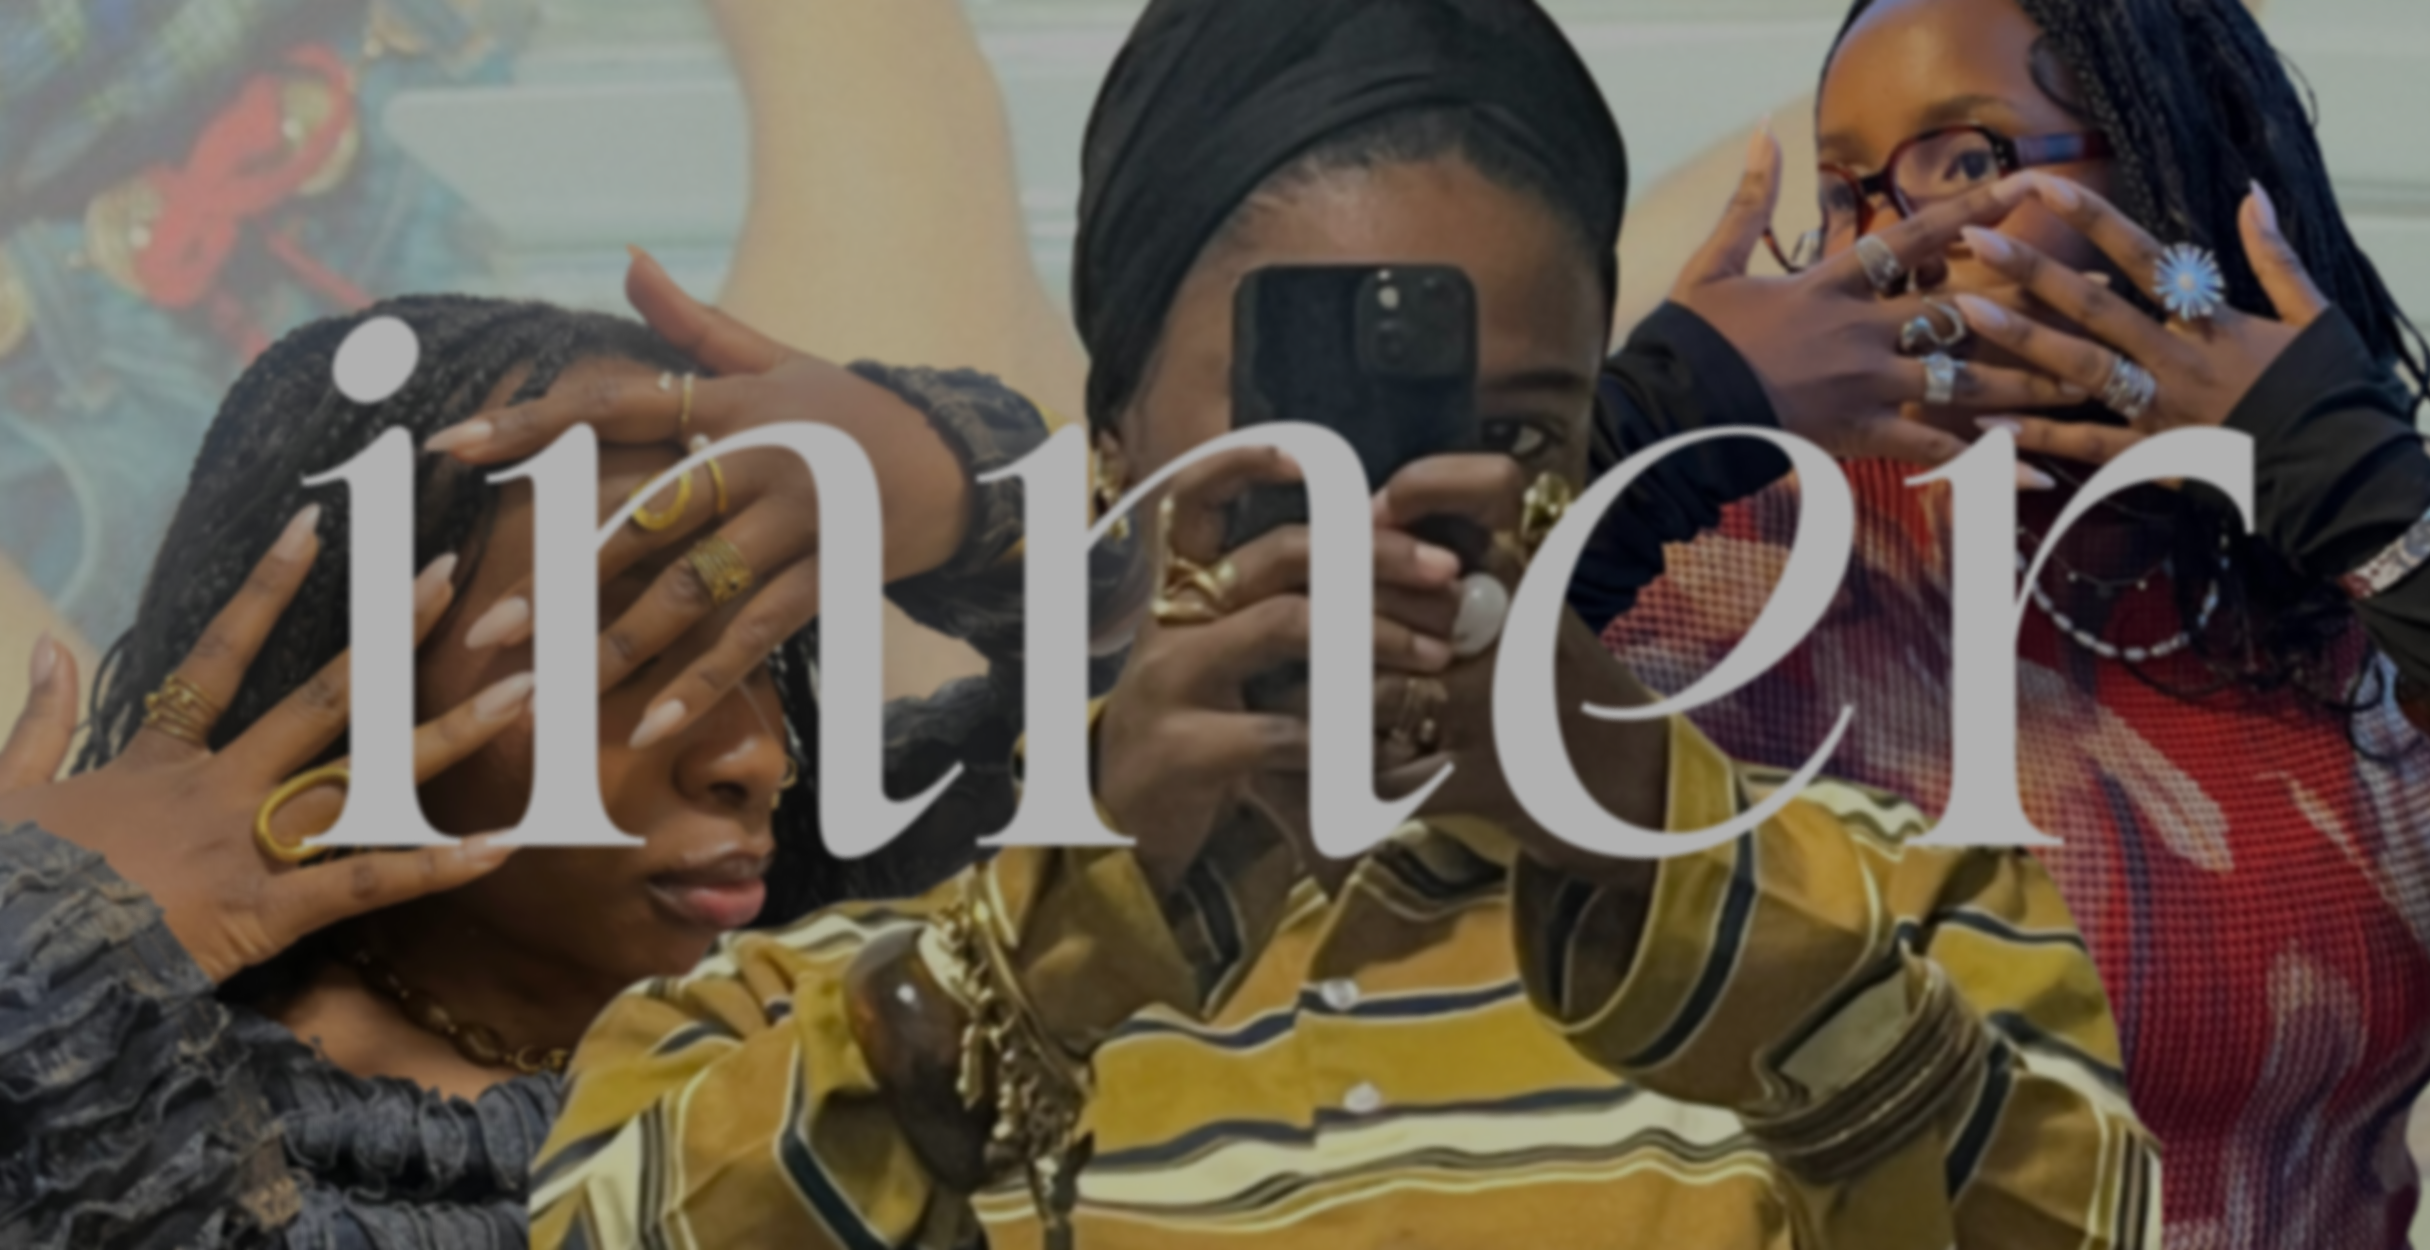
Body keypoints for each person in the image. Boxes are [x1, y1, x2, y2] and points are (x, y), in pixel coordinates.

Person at [525, 3, 2149, 1248]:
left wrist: (1665, 854)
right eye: (1289, 443)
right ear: (1114, 447)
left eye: (1512, 434)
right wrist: (1030, 961)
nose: (1398, 508)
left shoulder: (1920, 913)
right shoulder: (773, 1015)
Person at [1583, 1, 2430, 1246]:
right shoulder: (1729, 566)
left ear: (2172, 173)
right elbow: (1375, 741)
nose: (1890, 243)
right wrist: (1648, 431)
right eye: (1847, 192)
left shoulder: (2369, 573)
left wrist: (2367, 495)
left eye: (1964, 161)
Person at [0, 292, 1045, 1246]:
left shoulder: (853, 918)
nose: (756, 756)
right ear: (343, 660)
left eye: (762, 645)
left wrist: (964, 486)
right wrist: (48, 993)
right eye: (616, 647)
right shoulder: (147, 1115)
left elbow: (1128, 729)